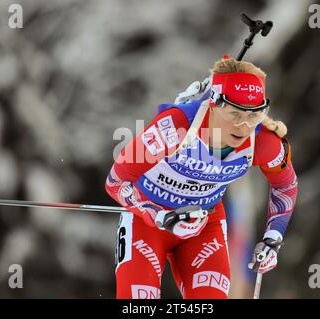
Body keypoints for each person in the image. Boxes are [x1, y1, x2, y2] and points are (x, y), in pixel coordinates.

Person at [105, 56, 298, 299]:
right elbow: (116, 181)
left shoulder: (265, 143)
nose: (243, 126)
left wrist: (273, 238)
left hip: (204, 225)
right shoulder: (175, 127)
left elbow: (285, 185)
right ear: (214, 103)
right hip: (146, 224)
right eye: (235, 114)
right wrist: (160, 216)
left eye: (253, 114)